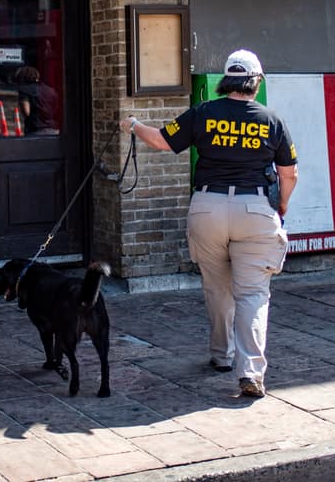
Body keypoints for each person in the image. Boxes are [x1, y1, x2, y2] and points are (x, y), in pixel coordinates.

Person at [121, 49, 297, 398]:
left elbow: (161, 140)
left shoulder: (204, 112)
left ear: (226, 80)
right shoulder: (272, 120)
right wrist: (282, 205)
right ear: (256, 82)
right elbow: (289, 173)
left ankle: (221, 356)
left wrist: (134, 125)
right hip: (255, 209)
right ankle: (250, 372)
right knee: (252, 294)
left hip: (207, 207)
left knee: (217, 288)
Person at [14, 66, 59, 134]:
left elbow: (26, 112)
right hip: (54, 129)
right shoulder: (51, 90)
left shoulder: (24, 90)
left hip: (35, 130)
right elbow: (56, 109)